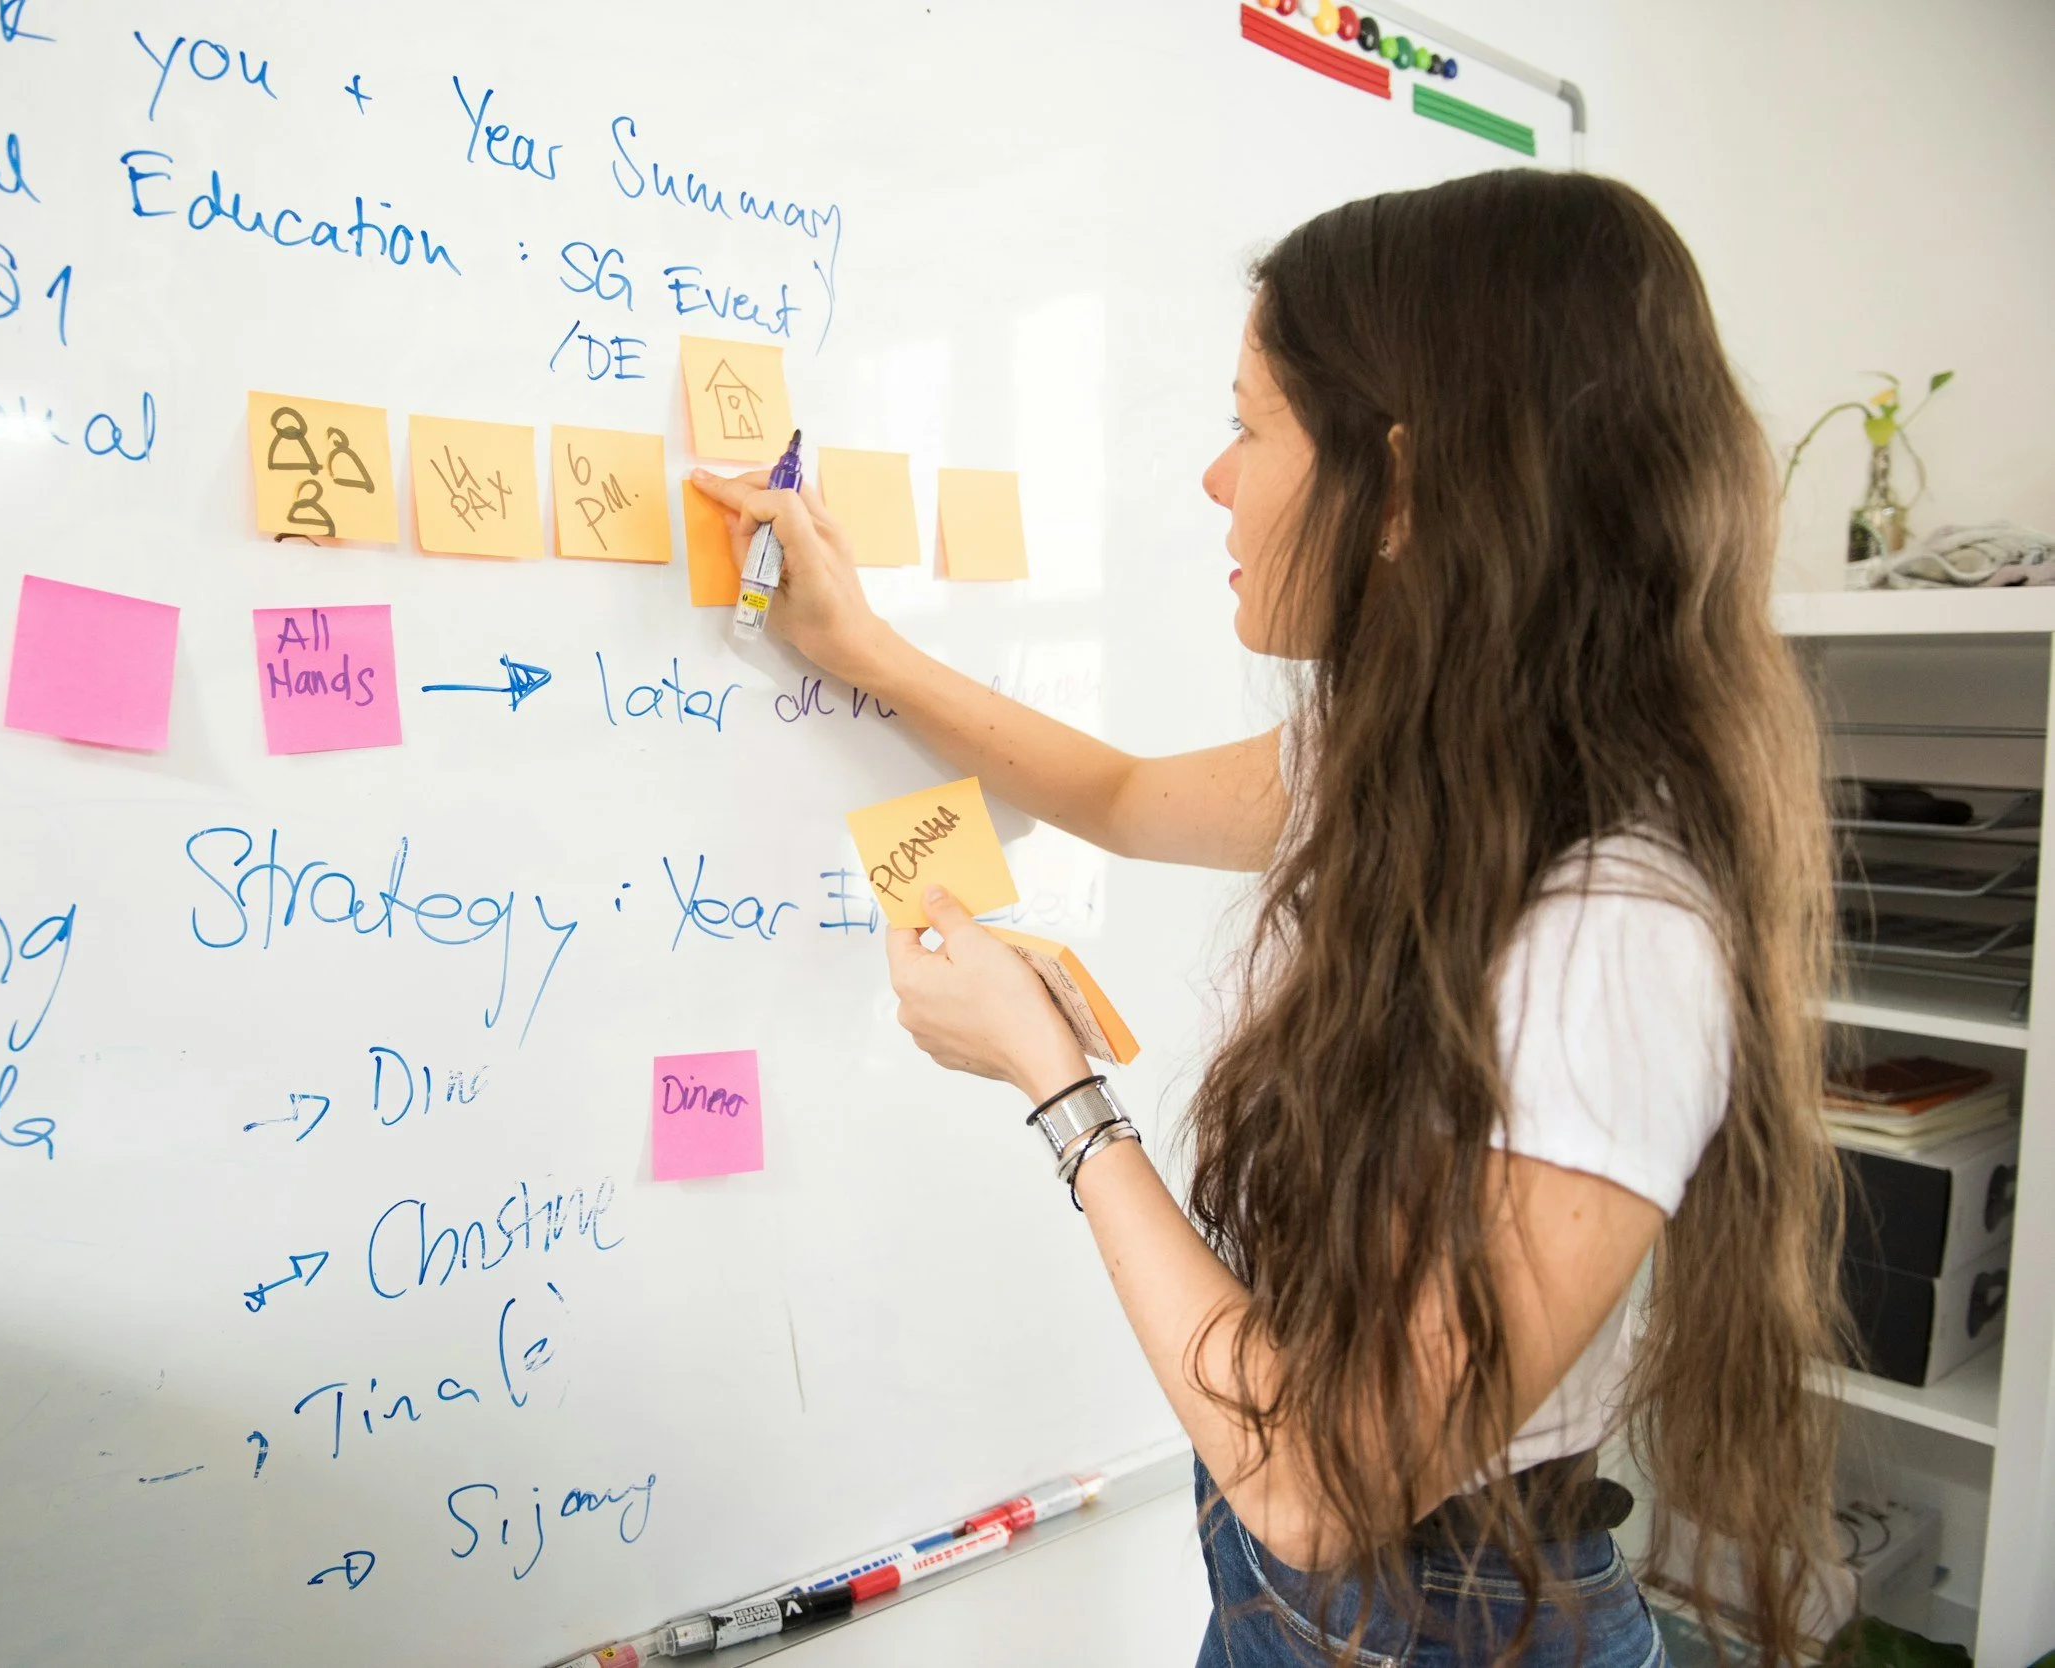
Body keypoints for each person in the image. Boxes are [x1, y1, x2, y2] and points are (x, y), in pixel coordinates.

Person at [690, 169, 1843, 1667]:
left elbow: (1315, 1480)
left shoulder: (1614, 928)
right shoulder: (1426, 762)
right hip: (1302, 1603)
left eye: (1250, 426)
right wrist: (862, 647)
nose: (1214, 480)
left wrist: (1060, 1089)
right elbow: (1112, 792)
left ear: (1410, 484)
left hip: (1445, 1619)